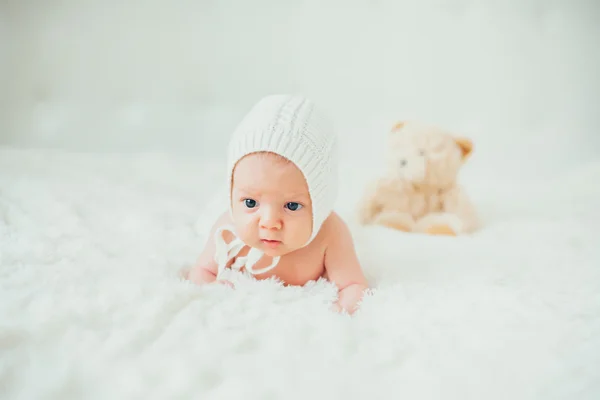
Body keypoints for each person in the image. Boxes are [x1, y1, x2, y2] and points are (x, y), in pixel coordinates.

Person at [187, 94, 368, 314]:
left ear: (320, 205)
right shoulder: (228, 230)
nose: (269, 222)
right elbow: (202, 271)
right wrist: (210, 288)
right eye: (251, 202)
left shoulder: (330, 234)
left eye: (292, 206)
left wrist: (339, 311)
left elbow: (354, 285)